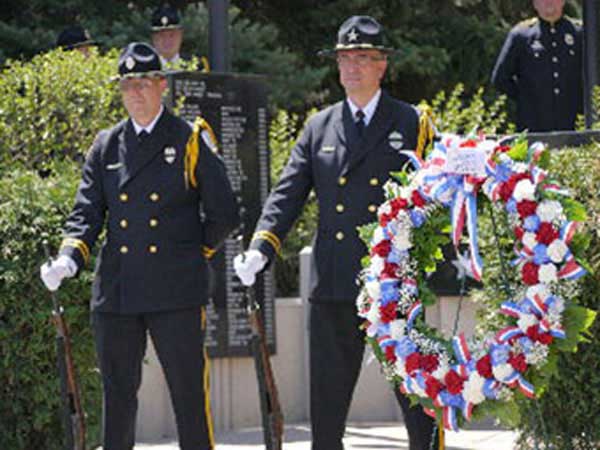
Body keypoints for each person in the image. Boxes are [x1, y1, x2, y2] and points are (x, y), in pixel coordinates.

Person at [234, 15, 438, 450]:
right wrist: (260, 246)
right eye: (345, 58)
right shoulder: (319, 126)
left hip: (392, 283)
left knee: (418, 401)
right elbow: (287, 194)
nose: (352, 67)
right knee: (326, 412)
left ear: (382, 64)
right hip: (333, 282)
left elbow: (436, 199)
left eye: (363, 58)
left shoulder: (411, 124)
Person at [40, 42, 239, 450]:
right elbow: (86, 214)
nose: (135, 92)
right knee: (117, 397)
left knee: (188, 395)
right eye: (127, 84)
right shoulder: (106, 145)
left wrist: (188, 254)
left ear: (161, 85)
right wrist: (68, 258)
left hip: (176, 290)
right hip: (118, 290)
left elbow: (224, 213)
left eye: (143, 83)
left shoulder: (190, 139)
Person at [491, 0, 583, 132]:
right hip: (533, 124)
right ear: (535, 4)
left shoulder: (580, 33)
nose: (548, 2)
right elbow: (500, 78)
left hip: (574, 123)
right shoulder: (521, 35)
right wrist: (526, 99)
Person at [151, 3, 209, 72]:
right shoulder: (144, 65)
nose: (167, 40)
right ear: (154, 39)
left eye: (172, 35)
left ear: (180, 36)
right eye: (162, 36)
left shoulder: (197, 65)